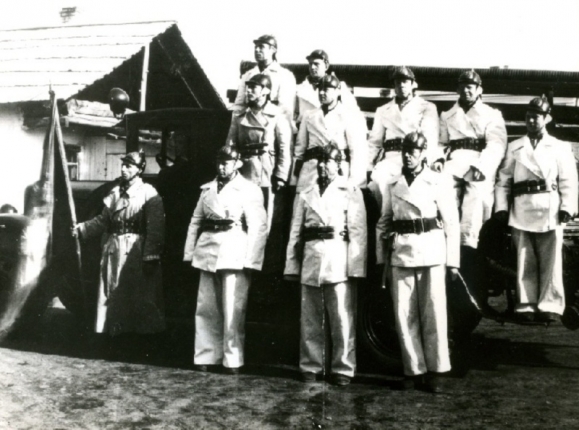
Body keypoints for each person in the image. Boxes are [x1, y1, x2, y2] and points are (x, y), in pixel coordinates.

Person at [376, 132, 459, 393]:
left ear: (423, 154)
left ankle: (437, 371)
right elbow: (384, 221)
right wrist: (380, 258)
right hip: (401, 253)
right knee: (404, 315)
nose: (408, 156)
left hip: (431, 251)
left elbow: (451, 222)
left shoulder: (438, 180)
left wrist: (453, 262)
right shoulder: (393, 183)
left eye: (414, 151)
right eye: (405, 151)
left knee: (433, 313)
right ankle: (413, 370)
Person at [284, 144, 367, 386]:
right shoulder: (306, 192)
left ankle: (343, 367)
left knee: (341, 317)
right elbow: (295, 231)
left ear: (338, 164)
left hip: (338, 258)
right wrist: (291, 266)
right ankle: (311, 365)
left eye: (327, 161)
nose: (322, 165)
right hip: (311, 258)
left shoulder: (349, 190)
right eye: (320, 161)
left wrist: (356, 268)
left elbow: (358, 232)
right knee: (311, 318)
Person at [183, 145, 267, 374]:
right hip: (207, 249)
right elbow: (195, 221)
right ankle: (206, 354)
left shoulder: (249, 189)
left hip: (234, 249)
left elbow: (258, 227)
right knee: (206, 307)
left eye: (227, 162)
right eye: (219, 162)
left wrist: (252, 260)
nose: (222, 167)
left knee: (233, 309)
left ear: (237, 163)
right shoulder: (207, 189)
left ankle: (232, 359)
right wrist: (189, 253)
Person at [494, 97, 578, 323]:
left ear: (547, 118)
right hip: (522, 208)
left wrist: (568, 206)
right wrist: (501, 207)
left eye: (537, 117)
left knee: (551, 261)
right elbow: (503, 181)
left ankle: (551, 304)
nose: (531, 120)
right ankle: (526, 304)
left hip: (549, 208)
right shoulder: (515, 147)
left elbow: (569, 180)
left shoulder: (559, 147)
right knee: (525, 259)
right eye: (529, 116)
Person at [73, 150, 165, 336]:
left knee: (136, 295)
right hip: (113, 248)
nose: (123, 169)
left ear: (140, 169)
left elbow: (156, 229)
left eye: (129, 166)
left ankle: (136, 338)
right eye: (123, 165)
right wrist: (82, 229)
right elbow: (103, 221)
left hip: (135, 251)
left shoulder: (148, 193)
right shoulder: (115, 193)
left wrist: (150, 256)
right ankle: (114, 334)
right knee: (112, 293)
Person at [434, 70, 507, 301]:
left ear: (479, 90)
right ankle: (447, 241)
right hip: (455, 161)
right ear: (457, 89)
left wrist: (482, 166)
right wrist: (438, 159)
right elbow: (441, 143)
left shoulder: (492, 114)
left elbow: (496, 144)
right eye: (463, 86)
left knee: (476, 200)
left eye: (471, 87)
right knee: (441, 191)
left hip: (479, 161)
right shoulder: (448, 115)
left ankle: (468, 248)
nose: (466, 90)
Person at [226, 73, 293, 226]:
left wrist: (281, 175)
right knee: (241, 217)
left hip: (266, 172)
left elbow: (284, 147)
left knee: (263, 217)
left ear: (265, 91)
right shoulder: (239, 115)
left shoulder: (276, 115)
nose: (248, 91)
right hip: (243, 170)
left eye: (253, 88)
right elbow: (230, 145)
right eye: (247, 88)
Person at [368, 66, 439, 207]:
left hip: (415, 157)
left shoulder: (426, 107)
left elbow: (430, 139)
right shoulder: (383, 110)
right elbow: (375, 142)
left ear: (413, 84)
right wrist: (368, 164)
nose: (401, 85)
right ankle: (387, 216)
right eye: (398, 82)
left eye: (405, 81)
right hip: (391, 158)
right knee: (378, 180)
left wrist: (426, 160)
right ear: (394, 86)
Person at [293, 74, 368, 193]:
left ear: (337, 91)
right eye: (320, 89)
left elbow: (356, 150)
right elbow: (299, 150)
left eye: (326, 89)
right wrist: (294, 179)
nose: (321, 93)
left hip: (337, 170)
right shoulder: (309, 115)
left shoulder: (348, 115)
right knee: (306, 202)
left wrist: (355, 181)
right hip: (311, 171)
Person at [232, 34, 297, 121]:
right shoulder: (248, 75)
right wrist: (235, 127)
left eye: (261, 47)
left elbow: (285, 110)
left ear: (273, 50)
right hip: (249, 123)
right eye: (256, 47)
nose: (257, 50)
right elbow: (239, 105)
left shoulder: (285, 76)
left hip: (273, 124)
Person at [294, 49, 359, 126]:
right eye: (310, 64)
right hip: (307, 129)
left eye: (316, 64)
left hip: (332, 129)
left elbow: (353, 113)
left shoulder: (339, 87)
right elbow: (294, 115)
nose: (312, 67)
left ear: (326, 65)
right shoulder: (300, 90)